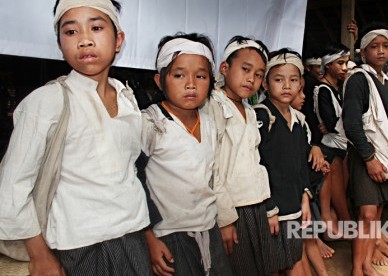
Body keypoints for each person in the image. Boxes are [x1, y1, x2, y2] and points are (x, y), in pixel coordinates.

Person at [0, 1, 154, 275]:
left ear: (118, 39)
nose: (84, 40)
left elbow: (130, 170)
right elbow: (11, 187)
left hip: (132, 235)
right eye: (70, 32)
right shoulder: (47, 101)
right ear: (59, 44)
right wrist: (39, 255)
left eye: (96, 27)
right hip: (81, 246)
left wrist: (148, 237)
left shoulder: (127, 98)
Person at [141, 33, 233, 276]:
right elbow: (132, 183)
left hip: (208, 229)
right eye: (179, 75)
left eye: (201, 76)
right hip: (168, 236)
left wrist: (224, 221)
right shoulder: (150, 124)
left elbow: (213, 176)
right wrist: (148, 237)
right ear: (160, 81)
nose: (191, 84)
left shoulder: (210, 122)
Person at [203, 36, 274, 275]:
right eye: (245, 69)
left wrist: (269, 206)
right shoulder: (213, 105)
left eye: (258, 74)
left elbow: (255, 162)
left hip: (255, 205)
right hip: (231, 209)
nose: (251, 79)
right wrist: (225, 219)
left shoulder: (250, 112)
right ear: (225, 68)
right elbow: (210, 167)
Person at [342, 22, 388, 276]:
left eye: (385, 46)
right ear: (363, 52)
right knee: (366, 213)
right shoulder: (358, 79)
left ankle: (366, 262)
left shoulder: (386, 82)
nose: (381, 51)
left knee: (376, 214)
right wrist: (369, 158)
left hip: (385, 155)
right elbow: (352, 124)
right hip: (364, 156)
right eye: (374, 46)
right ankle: (357, 268)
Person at [255, 49, 311, 275]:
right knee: (274, 266)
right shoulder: (261, 115)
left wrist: (305, 196)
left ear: (301, 84)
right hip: (272, 211)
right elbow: (256, 165)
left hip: (294, 208)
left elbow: (301, 162)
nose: (286, 85)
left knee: (294, 259)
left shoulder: (298, 120)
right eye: (278, 79)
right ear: (266, 84)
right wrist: (268, 208)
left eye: (293, 79)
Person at [291, 80, 330, 276]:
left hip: (305, 189)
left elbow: (305, 148)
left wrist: (315, 150)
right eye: (300, 93)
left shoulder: (300, 119)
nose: (304, 97)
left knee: (309, 234)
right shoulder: (269, 118)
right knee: (302, 240)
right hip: (292, 193)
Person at [313, 42, 352, 237]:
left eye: (346, 63)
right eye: (340, 63)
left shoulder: (339, 89)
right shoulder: (322, 90)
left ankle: (334, 228)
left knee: (340, 191)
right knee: (335, 193)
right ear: (328, 65)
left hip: (341, 146)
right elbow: (329, 124)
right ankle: (345, 228)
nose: (344, 68)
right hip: (331, 147)